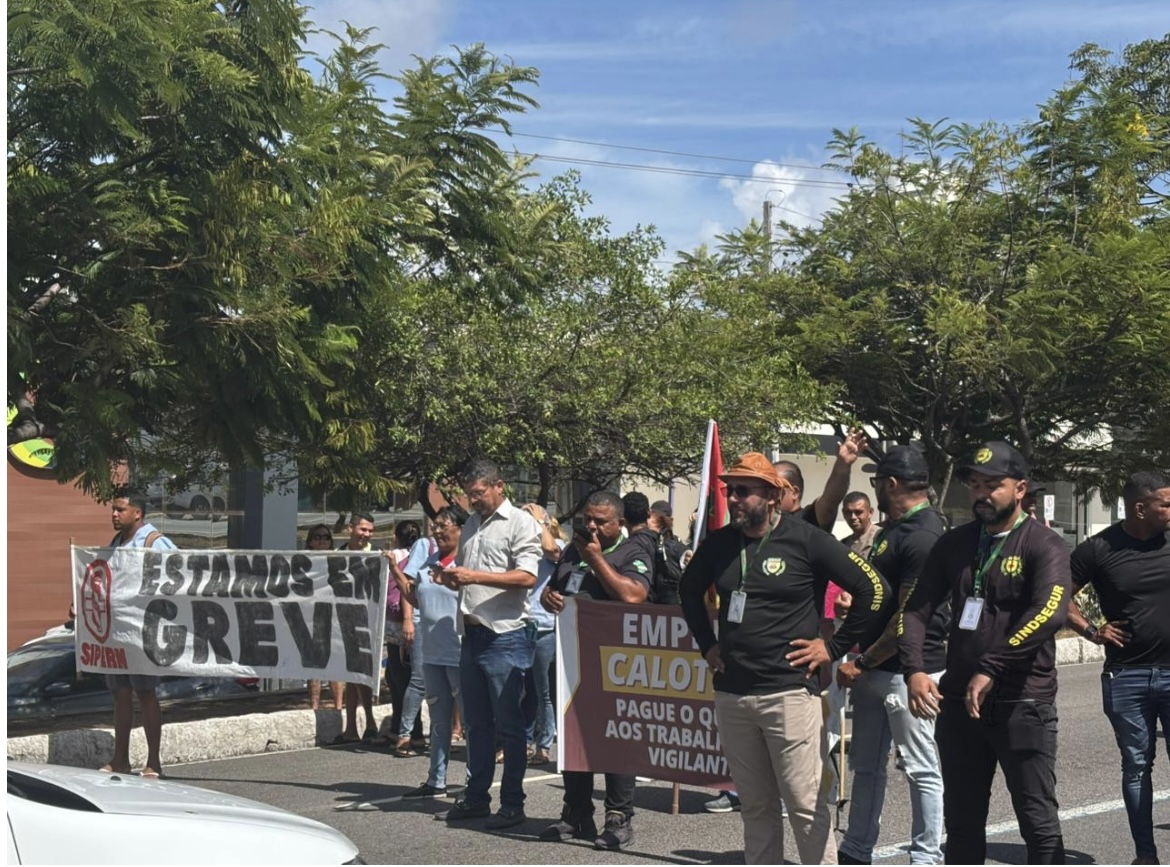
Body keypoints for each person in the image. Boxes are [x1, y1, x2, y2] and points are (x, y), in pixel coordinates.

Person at [680, 452, 892, 865]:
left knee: (804, 804)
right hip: (733, 693)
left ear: (773, 496)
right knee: (756, 806)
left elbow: (875, 590)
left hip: (789, 693)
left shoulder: (806, 538)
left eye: (743, 490)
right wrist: (707, 644)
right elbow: (688, 590)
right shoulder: (721, 542)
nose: (733, 498)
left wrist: (832, 648)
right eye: (729, 489)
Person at [899, 441, 1072, 865]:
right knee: (961, 824)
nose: (981, 494)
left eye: (993, 485)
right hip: (959, 702)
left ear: (1020, 488)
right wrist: (914, 669)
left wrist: (992, 666)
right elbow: (916, 609)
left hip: (1022, 702)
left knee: (1037, 820)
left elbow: (1048, 613)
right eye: (975, 485)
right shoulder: (954, 544)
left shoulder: (1044, 544)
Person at [835, 447, 946, 865]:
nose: (876, 488)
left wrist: (862, 662)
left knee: (919, 768)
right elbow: (885, 598)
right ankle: (856, 848)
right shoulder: (894, 530)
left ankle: (926, 856)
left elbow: (909, 615)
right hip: (873, 668)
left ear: (892, 484)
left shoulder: (923, 535)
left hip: (910, 670)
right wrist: (856, 607)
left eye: (877, 481)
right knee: (865, 765)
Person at [539, 491, 654, 851]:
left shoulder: (633, 551)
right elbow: (552, 589)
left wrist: (596, 559)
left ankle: (619, 818)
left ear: (619, 522)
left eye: (600, 521)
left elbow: (633, 595)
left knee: (617, 740)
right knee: (574, 736)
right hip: (573, 660)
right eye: (587, 519)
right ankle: (576, 813)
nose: (591, 526)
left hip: (616, 664)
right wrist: (548, 597)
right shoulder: (573, 549)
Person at [1067, 470, 1170, 866]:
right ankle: (1146, 856)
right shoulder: (1098, 549)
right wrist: (1092, 630)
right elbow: (1057, 595)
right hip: (1127, 676)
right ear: (1140, 508)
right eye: (1166, 504)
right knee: (1137, 767)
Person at [434, 458, 541, 830]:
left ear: (499, 486)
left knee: (509, 726)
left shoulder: (520, 523)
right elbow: (468, 576)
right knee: (476, 724)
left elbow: (527, 577)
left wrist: (473, 576)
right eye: (469, 495)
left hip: (506, 636)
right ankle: (476, 797)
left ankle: (512, 803)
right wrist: (452, 578)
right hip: (472, 634)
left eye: (478, 493)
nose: (473, 500)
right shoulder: (471, 525)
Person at [391, 507, 469, 799]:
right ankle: (436, 780)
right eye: (435, 526)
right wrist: (396, 572)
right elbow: (417, 599)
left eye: (443, 526)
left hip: (460, 653)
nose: (437, 531)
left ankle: (474, 784)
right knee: (439, 722)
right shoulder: (429, 562)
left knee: (470, 723)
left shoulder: (468, 563)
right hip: (433, 654)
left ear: (461, 529)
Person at [100, 488, 177, 778]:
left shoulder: (155, 542)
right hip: (118, 632)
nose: (114, 514)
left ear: (137, 513)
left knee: (145, 692)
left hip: (144, 631)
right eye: (113, 509)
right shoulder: (117, 543)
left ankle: (153, 761)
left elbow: (179, 575)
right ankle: (120, 759)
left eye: (120, 509)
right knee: (120, 693)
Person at [521, 503, 564, 766]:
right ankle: (524, 742)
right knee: (523, 690)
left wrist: (539, 523)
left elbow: (553, 551)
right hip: (519, 624)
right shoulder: (521, 546)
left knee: (543, 690)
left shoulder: (556, 546)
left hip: (544, 627)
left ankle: (544, 745)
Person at [337, 512, 385, 744]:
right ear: (350, 529)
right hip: (342, 621)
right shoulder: (336, 556)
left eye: (370, 531)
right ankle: (351, 728)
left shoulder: (377, 556)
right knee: (349, 675)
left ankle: (370, 721)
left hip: (368, 622)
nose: (366, 534)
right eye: (363, 529)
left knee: (361, 674)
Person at [773, 429, 870, 532]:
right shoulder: (764, 525)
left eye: (774, 487)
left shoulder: (808, 520)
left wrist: (843, 464)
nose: (767, 494)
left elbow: (830, 500)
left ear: (794, 492)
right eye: (763, 487)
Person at [389, 521, 428, 756]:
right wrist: (408, 620)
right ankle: (406, 735)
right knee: (417, 678)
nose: (440, 531)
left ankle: (437, 736)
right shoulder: (425, 546)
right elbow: (408, 586)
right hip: (420, 623)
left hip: (448, 626)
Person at [304, 524, 345, 713]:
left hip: (333, 617)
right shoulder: (300, 562)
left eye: (326, 537)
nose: (322, 540)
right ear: (310, 541)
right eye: (317, 537)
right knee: (314, 666)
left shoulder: (339, 561)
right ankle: (314, 707)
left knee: (335, 664)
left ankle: (338, 707)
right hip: (310, 617)